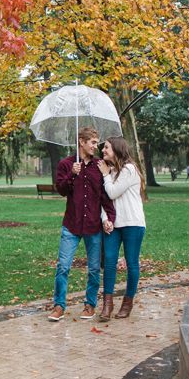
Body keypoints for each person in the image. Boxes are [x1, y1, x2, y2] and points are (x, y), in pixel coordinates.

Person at [47, 127, 116, 322]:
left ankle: (89, 305)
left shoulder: (100, 166)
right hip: (71, 224)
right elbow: (61, 190)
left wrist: (109, 217)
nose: (96, 146)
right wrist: (72, 174)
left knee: (94, 269)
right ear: (81, 142)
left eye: (97, 142)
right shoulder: (66, 164)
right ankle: (59, 305)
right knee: (63, 267)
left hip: (93, 226)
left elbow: (105, 197)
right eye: (93, 142)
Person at [97, 137, 146, 320]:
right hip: (113, 225)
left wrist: (105, 175)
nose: (103, 151)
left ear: (117, 149)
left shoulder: (129, 170)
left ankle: (127, 303)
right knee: (109, 261)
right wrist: (105, 219)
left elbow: (113, 192)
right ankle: (107, 305)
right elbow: (104, 200)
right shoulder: (109, 171)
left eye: (106, 148)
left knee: (131, 262)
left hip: (132, 223)